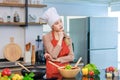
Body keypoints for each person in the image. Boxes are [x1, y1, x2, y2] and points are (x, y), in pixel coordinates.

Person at [42, 7, 74, 79]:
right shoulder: (46, 37)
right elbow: (54, 55)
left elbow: (72, 57)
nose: (60, 24)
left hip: (66, 71)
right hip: (53, 73)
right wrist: (60, 39)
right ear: (52, 26)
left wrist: (58, 60)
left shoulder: (67, 38)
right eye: (57, 23)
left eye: (61, 21)